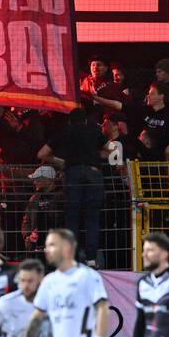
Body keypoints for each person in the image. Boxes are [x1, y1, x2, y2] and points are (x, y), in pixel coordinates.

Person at [40, 108, 107, 267]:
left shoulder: (64, 132)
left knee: (72, 218)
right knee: (92, 218)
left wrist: (60, 161)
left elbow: (42, 153)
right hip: (93, 174)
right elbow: (112, 148)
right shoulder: (94, 131)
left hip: (73, 174)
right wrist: (94, 156)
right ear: (85, 120)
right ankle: (91, 259)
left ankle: (73, 259)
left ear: (70, 121)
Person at [137, 83, 169, 161]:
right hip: (143, 153)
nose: (148, 96)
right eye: (148, 93)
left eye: (152, 94)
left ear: (161, 96)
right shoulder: (145, 111)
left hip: (161, 156)